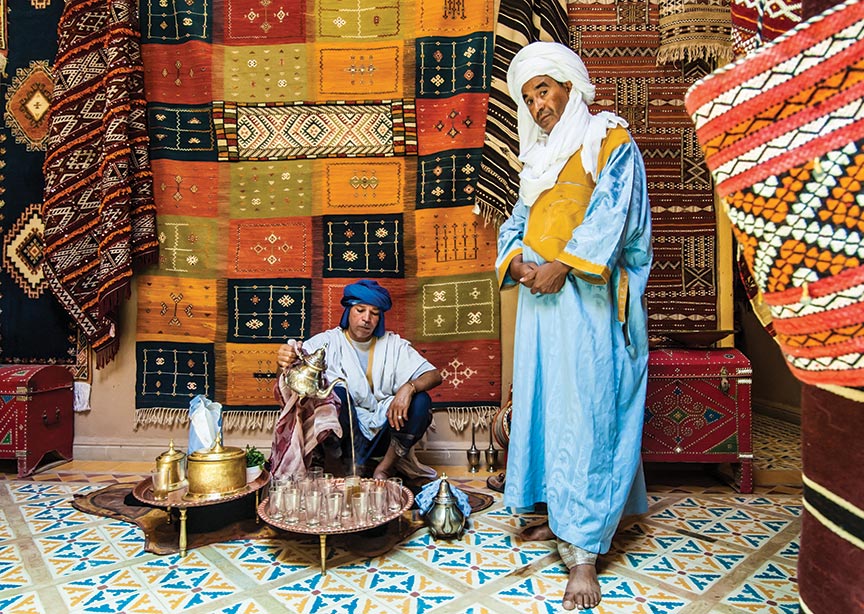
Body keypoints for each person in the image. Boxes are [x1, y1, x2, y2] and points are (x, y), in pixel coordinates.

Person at [495, 42, 652, 611]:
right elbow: (518, 221)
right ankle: (558, 515)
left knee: (586, 411)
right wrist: (515, 262)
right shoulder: (537, 161)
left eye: (545, 89)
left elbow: (617, 213)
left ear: (569, 86)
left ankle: (583, 550)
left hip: (584, 301)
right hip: (540, 306)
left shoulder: (607, 139)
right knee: (546, 408)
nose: (538, 104)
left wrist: (563, 267)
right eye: (528, 95)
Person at [275, 279, 442, 480]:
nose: (366, 319)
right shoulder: (327, 342)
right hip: (343, 435)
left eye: (374, 313)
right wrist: (283, 362)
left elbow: (433, 375)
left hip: (385, 431)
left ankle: (385, 468)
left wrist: (409, 387)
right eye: (360, 310)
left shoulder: (393, 345)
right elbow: (289, 378)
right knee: (336, 393)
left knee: (421, 400)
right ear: (348, 312)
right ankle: (342, 466)